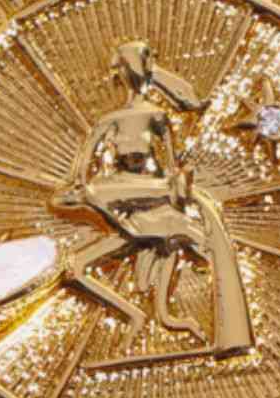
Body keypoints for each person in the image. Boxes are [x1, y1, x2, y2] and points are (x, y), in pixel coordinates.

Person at [52, 41, 255, 356]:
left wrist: (166, 194)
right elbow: (78, 178)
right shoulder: (109, 120)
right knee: (74, 268)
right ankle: (137, 315)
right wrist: (96, 197)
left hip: (153, 207)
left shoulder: (157, 117)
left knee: (88, 255)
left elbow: (173, 168)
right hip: (122, 207)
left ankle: (163, 313)